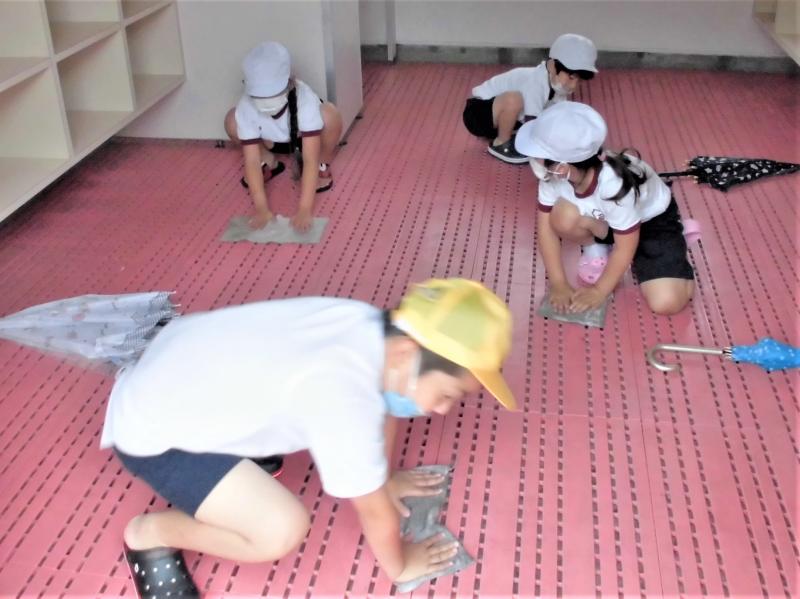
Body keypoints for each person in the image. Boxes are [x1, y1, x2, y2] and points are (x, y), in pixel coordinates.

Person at [101, 278, 516, 597]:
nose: (443, 410)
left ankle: (238, 457)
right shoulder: (342, 394)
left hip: (176, 375)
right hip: (152, 430)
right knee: (279, 529)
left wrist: (385, 479)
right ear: (407, 352)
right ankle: (150, 535)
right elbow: (373, 511)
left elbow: (385, 404)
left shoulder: (370, 327)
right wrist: (401, 565)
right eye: (447, 395)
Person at [515, 101, 695, 315]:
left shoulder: (615, 186)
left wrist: (599, 291)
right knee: (562, 217)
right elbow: (546, 229)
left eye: (537, 155)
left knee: (666, 303)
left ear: (562, 167)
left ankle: (674, 241)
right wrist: (558, 283)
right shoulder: (554, 177)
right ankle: (598, 249)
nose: (533, 161)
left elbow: (626, 245)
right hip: (609, 220)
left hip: (652, 223)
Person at [224, 42, 343, 232]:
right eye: (260, 95)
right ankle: (268, 162)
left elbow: (309, 160)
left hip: (304, 140)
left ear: (290, 83)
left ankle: (323, 165)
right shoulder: (247, 105)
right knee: (232, 120)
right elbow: (251, 161)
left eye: (272, 93)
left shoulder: (304, 100)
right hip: (270, 141)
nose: (266, 100)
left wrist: (304, 210)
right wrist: (262, 210)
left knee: (330, 114)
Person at [462, 33, 597, 164]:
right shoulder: (535, 82)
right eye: (571, 77)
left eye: (579, 81)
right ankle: (501, 143)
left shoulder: (558, 87)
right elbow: (532, 121)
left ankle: (507, 134)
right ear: (553, 66)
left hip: (500, 118)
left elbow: (557, 117)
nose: (573, 86)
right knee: (514, 100)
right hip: (478, 113)